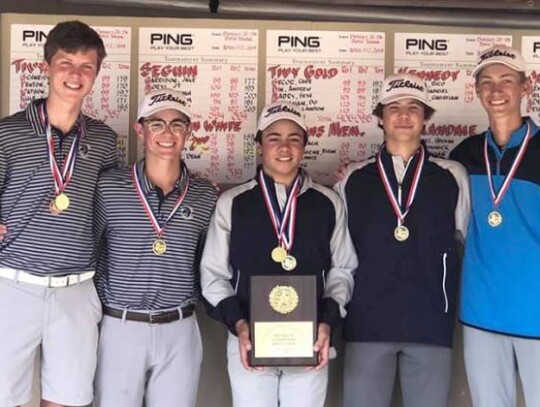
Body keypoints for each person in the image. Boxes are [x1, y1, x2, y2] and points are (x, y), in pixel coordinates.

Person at [200, 101, 357, 407]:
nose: (284, 148)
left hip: (311, 341)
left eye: (294, 139)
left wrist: (326, 322)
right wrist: (240, 325)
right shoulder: (234, 203)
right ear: (259, 146)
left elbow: (343, 269)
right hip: (249, 341)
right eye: (274, 138)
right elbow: (213, 275)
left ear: (304, 147)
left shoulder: (327, 203)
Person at [335, 73, 470, 407]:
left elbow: (461, 239)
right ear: (380, 117)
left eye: (414, 107)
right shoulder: (353, 178)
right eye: (394, 107)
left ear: (426, 117)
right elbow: (341, 251)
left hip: (430, 323)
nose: (404, 115)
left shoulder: (451, 175)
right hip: (367, 322)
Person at [0, 20, 116, 407]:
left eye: (87, 66)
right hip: (12, 285)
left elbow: (109, 205)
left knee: (68, 400)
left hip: (76, 289)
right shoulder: (8, 133)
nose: (76, 74)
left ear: (96, 74)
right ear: (46, 66)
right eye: (66, 62)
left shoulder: (103, 139)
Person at [92, 89, 217, 407]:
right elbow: (87, 251)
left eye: (177, 124)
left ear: (188, 131)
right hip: (120, 325)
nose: (167, 133)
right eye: (157, 123)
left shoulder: (204, 195)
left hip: (180, 326)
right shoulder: (109, 187)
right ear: (140, 129)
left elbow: (210, 262)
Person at [450, 45, 540, 407]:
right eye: (486, 81)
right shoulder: (464, 155)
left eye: (506, 80)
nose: (496, 89)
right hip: (481, 310)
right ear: (477, 91)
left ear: (526, 87)